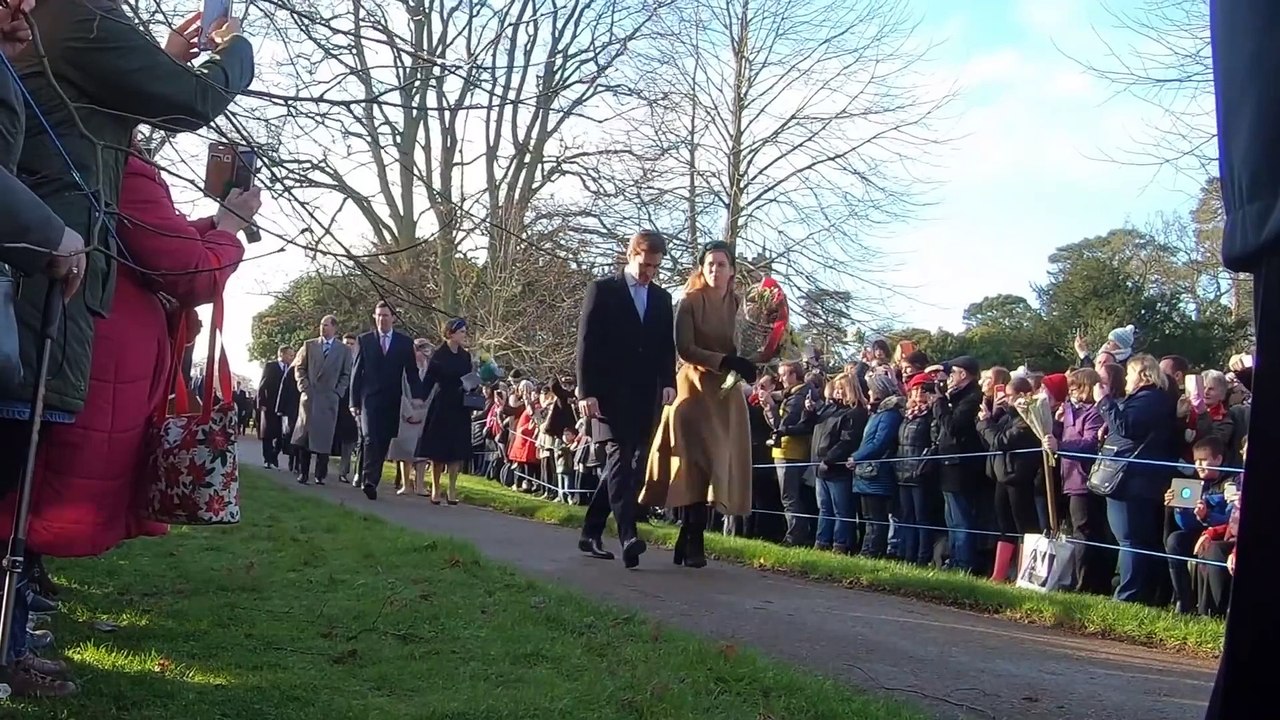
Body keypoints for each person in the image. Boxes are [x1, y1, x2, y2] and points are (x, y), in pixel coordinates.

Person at [4, 7, 254, 421]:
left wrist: (163, 64)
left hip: (45, 313)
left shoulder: (48, 25)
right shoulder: (78, 15)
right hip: (44, 309)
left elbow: (93, 103)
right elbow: (189, 100)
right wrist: (236, 49)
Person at [641, 241, 754, 568]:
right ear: (702, 269)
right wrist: (724, 360)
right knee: (695, 463)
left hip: (726, 394)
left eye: (722, 264)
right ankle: (692, 535)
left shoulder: (741, 307)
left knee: (718, 463)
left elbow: (752, 345)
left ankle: (691, 534)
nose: (716, 270)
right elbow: (686, 348)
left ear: (732, 269)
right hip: (693, 389)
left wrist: (751, 360)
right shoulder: (690, 302)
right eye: (710, 264)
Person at [575, 231, 676, 568]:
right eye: (645, 264)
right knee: (620, 457)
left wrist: (669, 381)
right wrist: (585, 391)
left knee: (631, 462)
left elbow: (665, 346)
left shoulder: (661, 299)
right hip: (607, 394)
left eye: (655, 267)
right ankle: (628, 534)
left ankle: (591, 530)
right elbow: (586, 344)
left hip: (644, 394)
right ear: (631, 254)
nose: (649, 272)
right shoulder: (603, 291)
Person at [349, 301, 424, 499]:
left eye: (385, 315)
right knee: (370, 437)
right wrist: (353, 402)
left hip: (392, 399)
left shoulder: (404, 342)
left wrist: (417, 396)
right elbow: (356, 373)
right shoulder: (365, 340)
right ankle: (368, 480)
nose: (382, 319)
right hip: (369, 399)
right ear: (374, 317)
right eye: (378, 315)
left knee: (383, 440)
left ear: (393, 318)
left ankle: (374, 478)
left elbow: (411, 372)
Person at [416, 318, 474, 505]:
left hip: (460, 405)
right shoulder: (439, 355)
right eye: (462, 331)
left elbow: (469, 377)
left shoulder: (466, 356)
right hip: (443, 404)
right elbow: (430, 379)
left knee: (456, 451)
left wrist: (474, 384)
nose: (464, 335)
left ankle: (452, 489)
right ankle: (435, 487)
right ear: (451, 333)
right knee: (439, 451)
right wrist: (420, 397)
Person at [291, 315, 353, 486]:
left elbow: (346, 374)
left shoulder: (343, 350)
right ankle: (303, 473)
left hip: (328, 399)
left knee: (324, 438)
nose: (322, 328)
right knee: (305, 437)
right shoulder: (309, 345)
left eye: (326, 325)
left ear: (334, 328)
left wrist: (337, 392)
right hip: (310, 398)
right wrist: (304, 386)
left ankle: (320, 474)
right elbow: (300, 368)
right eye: (321, 325)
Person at [258, 345, 294, 469]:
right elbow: (263, 385)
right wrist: (261, 403)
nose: (291, 357)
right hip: (269, 405)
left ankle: (274, 455)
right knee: (268, 434)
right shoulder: (271, 367)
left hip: (284, 407)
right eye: (290, 355)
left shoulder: (291, 369)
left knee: (282, 435)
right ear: (282, 354)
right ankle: (267, 459)